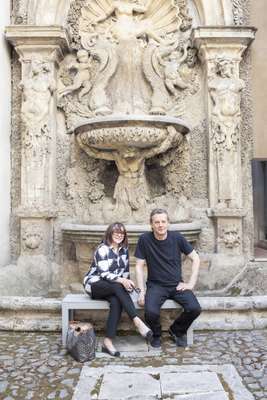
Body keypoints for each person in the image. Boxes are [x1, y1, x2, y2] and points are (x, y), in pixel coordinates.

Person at [135, 208, 201, 348]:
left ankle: (176, 331)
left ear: (168, 223)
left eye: (163, 221)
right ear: (151, 224)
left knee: (194, 308)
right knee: (151, 312)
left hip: (177, 285)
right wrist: (141, 290)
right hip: (156, 285)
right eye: (157, 222)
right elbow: (139, 266)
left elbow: (195, 258)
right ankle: (157, 334)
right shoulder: (144, 239)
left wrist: (190, 283)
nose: (160, 225)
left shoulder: (177, 238)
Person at [84, 222, 152, 357]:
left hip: (113, 288)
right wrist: (122, 281)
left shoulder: (124, 250)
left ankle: (107, 342)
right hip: (95, 285)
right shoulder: (102, 249)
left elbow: (124, 273)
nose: (119, 235)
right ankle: (137, 321)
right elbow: (104, 274)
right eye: (116, 232)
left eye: (122, 233)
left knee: (116, 301)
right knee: (117, 285)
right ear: (110, 233)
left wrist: (129, 284)